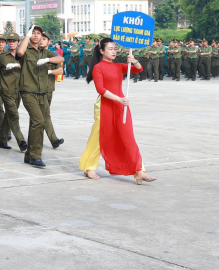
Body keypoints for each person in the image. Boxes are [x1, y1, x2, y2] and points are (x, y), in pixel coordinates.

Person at [79, 37, 155, 184]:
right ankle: (89, 167)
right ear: (102, 51)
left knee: (128, 137)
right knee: (99, 137)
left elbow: (138, 69)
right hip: (105, 105)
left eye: (115, 49)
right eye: (110, 49)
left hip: (121, 105)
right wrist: (119, 99)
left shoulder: (119, 66)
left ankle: (139, 171)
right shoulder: (98, 67)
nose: (114, 51)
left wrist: (134, 61)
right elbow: (100, 89)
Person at [16, 25, 64, 168]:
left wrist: (47, 60)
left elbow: (60, 58)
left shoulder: (45, 52)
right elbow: (20, 52)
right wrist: (27, 35)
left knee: (36, 123)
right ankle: (36, 155)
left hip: (42, 92)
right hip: (28, 91)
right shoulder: (26, 50)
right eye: (33, 33)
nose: (36, 35)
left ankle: (29, 156)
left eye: (38, 33)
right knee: (39, 121)